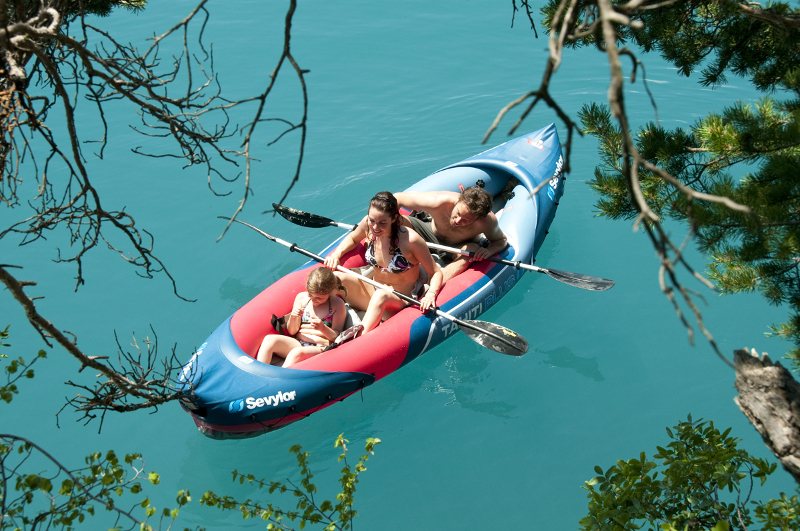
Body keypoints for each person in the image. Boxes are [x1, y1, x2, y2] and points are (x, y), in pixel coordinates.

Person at [323, 191, 443, 335]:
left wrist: (431, 294)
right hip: (373, 291)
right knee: (337, 279)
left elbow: (435, 272)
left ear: (394, 218)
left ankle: (358, 339)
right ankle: (319, 324)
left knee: (381, 296)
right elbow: (353, 239)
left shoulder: (410, 241)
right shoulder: (367, 225)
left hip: (399, 301)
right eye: (372, 220)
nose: (375, 227)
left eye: (382, 223)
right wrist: (337, 254)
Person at [394, 186, 507, 282]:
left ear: (478, 219)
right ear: (458, 201)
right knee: (397, 221)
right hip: (428, 232)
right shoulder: (438, 201)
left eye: (466, 220)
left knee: (471, 253)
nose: (457, 221)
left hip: (457, 248)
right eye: (457, 213)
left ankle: (434, 286)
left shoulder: (486, 221)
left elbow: (501, 240)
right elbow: (397, 198)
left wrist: (489, 251)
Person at [256, 267, 347, 367]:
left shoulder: (337, 304)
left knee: (297, 353)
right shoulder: (302, 298)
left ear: (331, 292)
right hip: (298, 342)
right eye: (310, 294)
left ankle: (277, 380)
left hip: (321, 347)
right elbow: (292, 331)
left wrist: (322, 328)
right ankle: (258, 373)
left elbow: (336, 337)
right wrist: (294, 317)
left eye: (319, 298)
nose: (313, 299)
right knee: (269, 340)